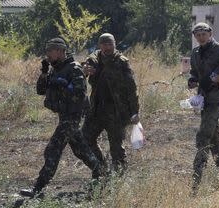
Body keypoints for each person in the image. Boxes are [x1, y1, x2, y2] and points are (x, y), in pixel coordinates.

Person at [20, 38, 102, 198]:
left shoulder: (74, 69)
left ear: (59, 51)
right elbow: (40, 90)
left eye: (50, 51)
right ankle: (101, 172)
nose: (48, 55)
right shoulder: (54, 69)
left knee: (53, 149)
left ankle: (38, 188)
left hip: (72, 117)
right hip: (64, 116)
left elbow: (80, 95)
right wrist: (44, 74)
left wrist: (65, 87)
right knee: (81, 150)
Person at [188, 22, 219, 190]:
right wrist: (193, 81)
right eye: (198, 34)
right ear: (195, 36)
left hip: (216, 97)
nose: (201, 37)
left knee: (203, 135)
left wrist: (214, 79)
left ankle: (196, 178)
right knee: (214, 137)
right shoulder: (195, 52)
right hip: (203, 98)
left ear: (210, 34)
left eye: (204, 34)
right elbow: (194, 72)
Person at [82, 33, 140, 174]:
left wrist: (134, 112)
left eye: (110, 44)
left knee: (116, 148)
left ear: (114, 44)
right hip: (96, 110)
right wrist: (84, 71)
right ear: (99, 45)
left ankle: (120, 180)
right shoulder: (94, 60)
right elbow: (83, 71)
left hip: (116, 111)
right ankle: (102, 169)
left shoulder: (121, 62)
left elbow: (131, 89)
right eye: (104, 44)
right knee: (85, 139)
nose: (107, 47)